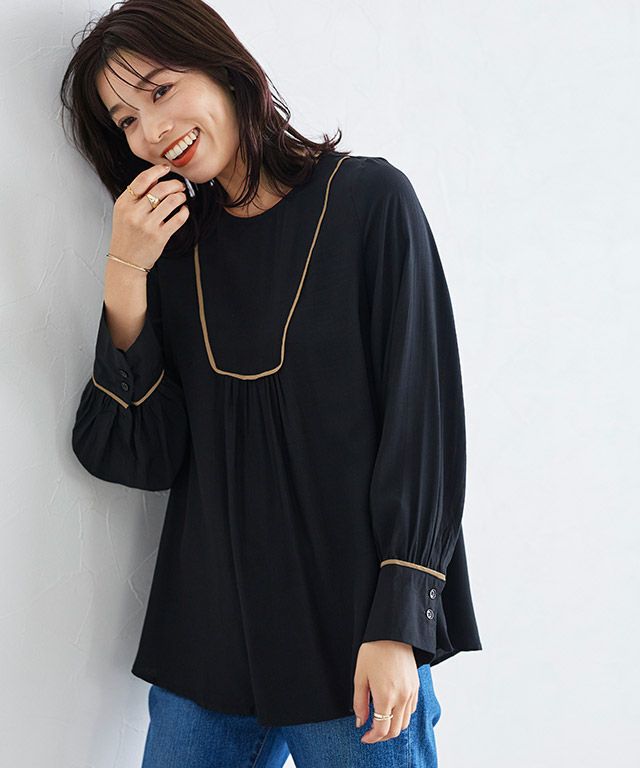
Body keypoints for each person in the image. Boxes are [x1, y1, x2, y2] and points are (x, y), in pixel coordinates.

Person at [61, 0, 482, 765]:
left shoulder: (369, 201)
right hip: (205, 644)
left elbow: (423, 422)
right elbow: (139, 455)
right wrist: (125, 273)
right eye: (125, 120)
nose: (151, 130)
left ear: (224, 70)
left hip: (349, 636)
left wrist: (399, 624)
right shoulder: (174, 256)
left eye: (159, 90)